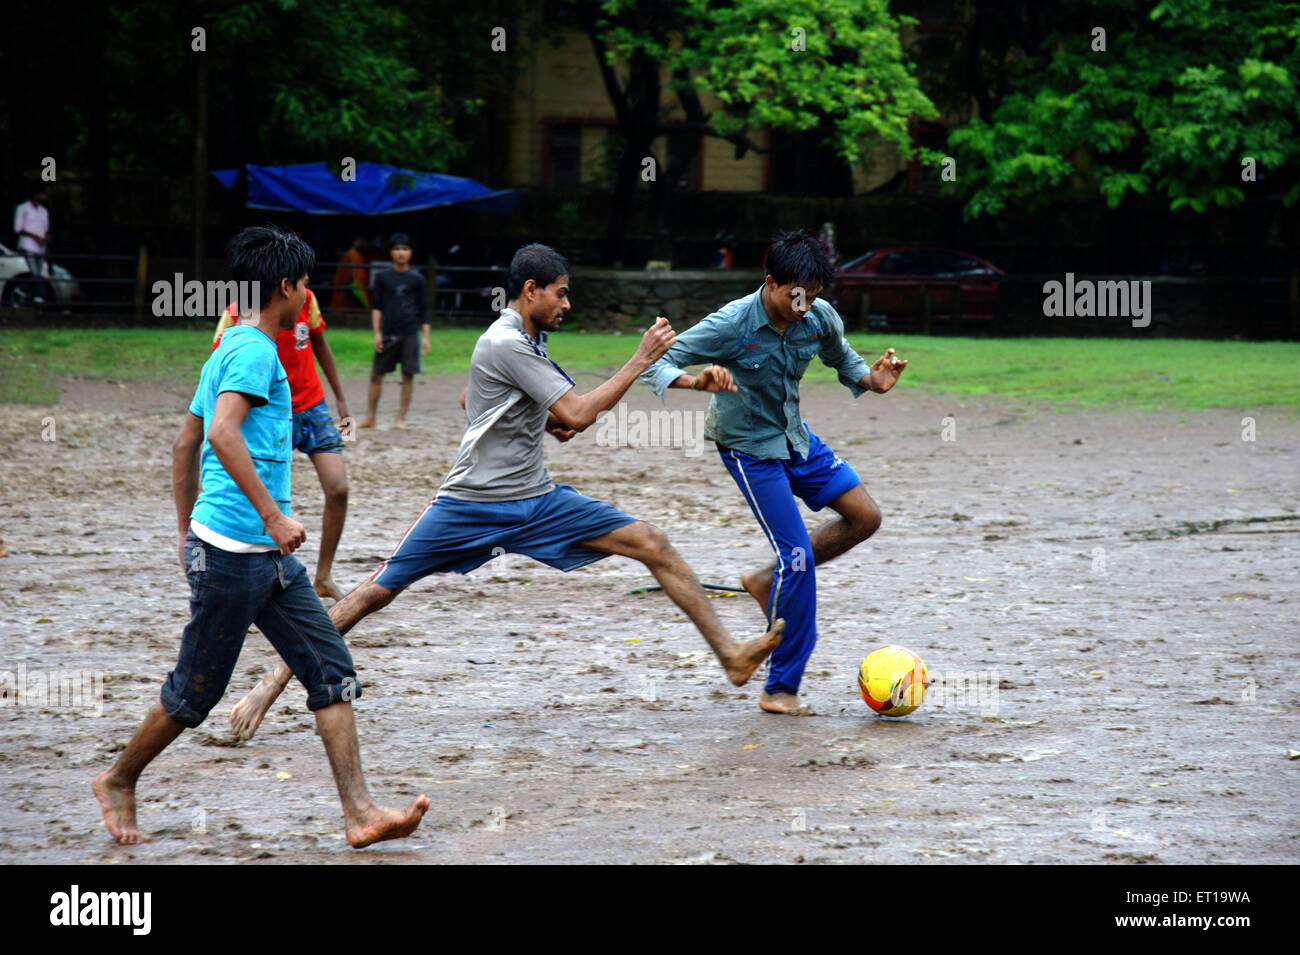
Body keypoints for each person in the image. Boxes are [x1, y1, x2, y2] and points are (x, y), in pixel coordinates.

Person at [227, 243, 784, 740]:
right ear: (530, 291)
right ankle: (270, 682)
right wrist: (641, 357)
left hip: (535, 502)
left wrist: (687, 381)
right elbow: (577, 415)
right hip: (470, 504)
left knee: (652, 542)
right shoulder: (506, 340)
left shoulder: (528, 338)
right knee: (375, 593)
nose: (567, 305)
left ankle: (732, 656)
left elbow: (547, 418)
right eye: (561, 295)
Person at [93, 225, 428, 848]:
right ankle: (118, 778)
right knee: (195, 693)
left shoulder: (226, 346)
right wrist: (271, 518)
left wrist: (185, 534)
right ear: (286, 287)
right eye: (305, 284)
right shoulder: (254, 352)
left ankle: (359, 814)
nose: (309, 296)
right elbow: (219, 434)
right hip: (238, 555)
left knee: (329, 667)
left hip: (264, 559)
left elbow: (183, 444)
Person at [640, 228, 907, 715]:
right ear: (770, 282)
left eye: (814, 296)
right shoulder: (732, 323)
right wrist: (696, 382)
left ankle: (766, 581)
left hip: (794, 436)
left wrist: (872, 378)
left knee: (865, 517)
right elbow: (655, 362)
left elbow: (841, 357)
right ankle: (780, 688)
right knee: (799, 558)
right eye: (794, 296)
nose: (804, 307)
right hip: (748, 449)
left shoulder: (818, 315)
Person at [211, 286, 352, 600]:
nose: (305, 286)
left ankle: (323, 577)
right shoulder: (239, 311)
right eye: (300, 279)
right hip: (272, 410)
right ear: (284, 284)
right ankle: (259, 580)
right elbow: (219, 358)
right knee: (264, 495)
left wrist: (340, 399)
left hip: (312, 406)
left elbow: (320, 344)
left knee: (339, 488)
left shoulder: (308, 300)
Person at [362, 234, 430, 429]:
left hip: (410, 332)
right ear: (391, 252)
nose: (401, 253)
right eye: (397, 249)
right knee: (376, 375)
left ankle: (400, 419)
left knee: (408, 375)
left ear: (411, 253)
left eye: (405, 249)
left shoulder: (417, 279)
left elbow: (424, 308)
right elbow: (377, 306)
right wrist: (376, 333)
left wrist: (425, 337)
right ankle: (370, 417)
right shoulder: (383, 278)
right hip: (389, 332)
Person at [13, 187, 50, 291]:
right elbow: (18, 228)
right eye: (42, 194)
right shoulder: (22, 208)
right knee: (35, 273)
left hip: (40, 247)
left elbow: (46, 228)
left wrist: (46, 237)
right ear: (36, 195)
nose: (44, 197)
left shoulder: (44, 211)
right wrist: (35, 237)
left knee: (38, 273)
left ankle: (30, 295)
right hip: (27, 245)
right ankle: (42, 296)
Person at [331, 235, 370, 311]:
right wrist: (355, 279)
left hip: (353, 280)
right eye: (358, 241)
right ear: (354, 243)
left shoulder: (354, 253)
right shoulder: (352, 253)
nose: (360, 243)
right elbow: (353, 267)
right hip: (350, 280)